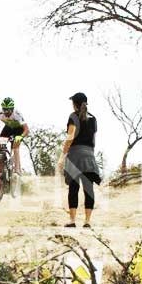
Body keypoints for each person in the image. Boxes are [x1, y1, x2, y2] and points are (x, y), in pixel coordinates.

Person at [57, 92, 101, 228]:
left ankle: (72, 221)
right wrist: (90, 153)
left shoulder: (73, 116)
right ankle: (87, 221)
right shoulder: (93, 118)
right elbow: (93, 138)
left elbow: (70, 138)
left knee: (74, 188)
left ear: (75, 104)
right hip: (89, 155)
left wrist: (62, 157)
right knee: (89, 189)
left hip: (75, 155)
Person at [0, 97, 29, 174]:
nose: (6, 112)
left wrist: (21, 136)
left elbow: (26, 130)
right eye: (4, 109)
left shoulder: (17, 114)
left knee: (15, 146)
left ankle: (17, 170)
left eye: (8, 110)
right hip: (8, 128)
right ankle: (1, 161)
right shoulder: (0, 114)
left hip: (18, 129)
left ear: (12, 109)